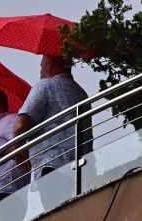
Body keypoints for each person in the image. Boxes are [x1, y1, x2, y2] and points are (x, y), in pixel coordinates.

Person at [11, 54, 89, 211]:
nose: (40, 71)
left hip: (52, 166)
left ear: (49, 64)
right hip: (84, 167)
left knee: (57, 218)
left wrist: (19, 151)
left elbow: (20, 126)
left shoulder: (45, 86)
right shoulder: (81, 93)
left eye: (41, 66)